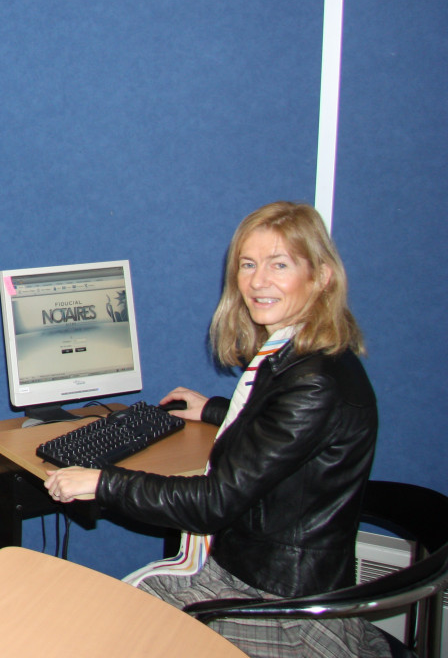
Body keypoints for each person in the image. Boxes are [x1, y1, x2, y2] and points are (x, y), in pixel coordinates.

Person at [44, 201, 384, 658]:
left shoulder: (312, 384)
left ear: (321, 275)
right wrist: (218, 412)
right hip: (281, 577)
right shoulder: (305, 356)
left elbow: (214, 505)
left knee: (109, 630)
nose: (258, 281)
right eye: (248, 264)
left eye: (278, 264)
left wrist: (103, 482)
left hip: (284, 608)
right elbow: (288, 437)